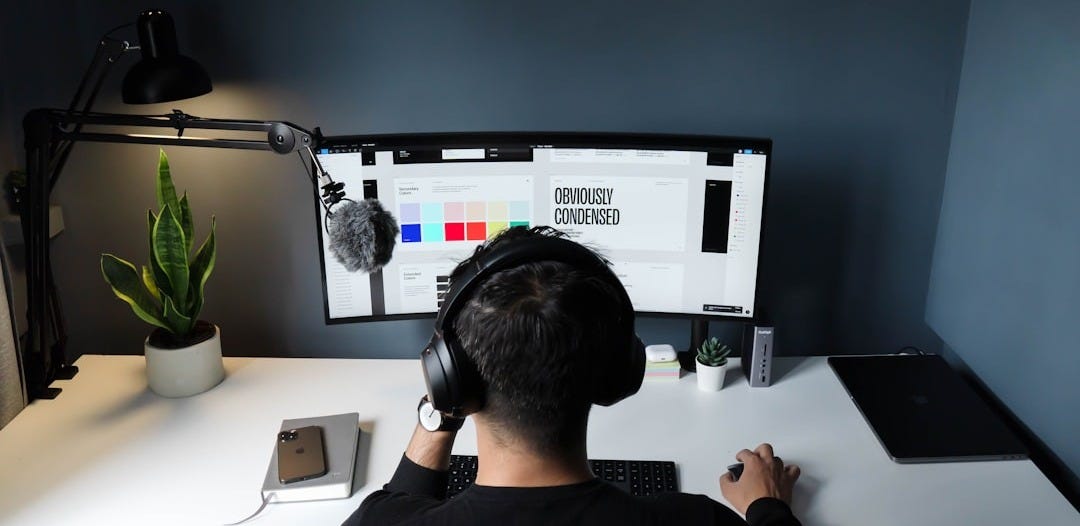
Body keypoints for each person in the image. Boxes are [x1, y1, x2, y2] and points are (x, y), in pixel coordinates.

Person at [344, 226, 801, 526]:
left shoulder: (380, 523)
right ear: (618, 373)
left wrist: (442, 410)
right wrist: (769, 508)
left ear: (450, 378)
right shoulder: (693, 521)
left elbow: (396, 506)